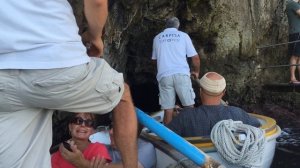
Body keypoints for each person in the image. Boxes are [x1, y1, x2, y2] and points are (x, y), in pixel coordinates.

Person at [0, 0, 138, 168]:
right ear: (69, 125)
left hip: (4, 78)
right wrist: (95, 37)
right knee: (121, 94)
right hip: (54, 62)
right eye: (78, 121)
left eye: (88, 122)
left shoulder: (96, 149)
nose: (82, 125)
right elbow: (97, 2)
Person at [167, 72, 261, 137]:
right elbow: (257, 124)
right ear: (223, 92)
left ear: (200, 91)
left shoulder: (185, 116)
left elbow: (165, 136)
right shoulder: (237, 113)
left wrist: (175, 117)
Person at [151, 16, 200, 124]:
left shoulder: (157, 38)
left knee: (168, 110)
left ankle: (166, 139)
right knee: (189, 107)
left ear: (166, 26)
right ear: (178, 26)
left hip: (164, 76)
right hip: (181, 74)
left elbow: (154, 60)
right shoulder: (183, 36)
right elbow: (195, 58)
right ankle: (190, 136)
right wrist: (196, 72)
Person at [286, 0, 300, 84]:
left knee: (299, 57)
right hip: (296, 33)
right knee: (294, 55)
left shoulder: (296, 4)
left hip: (297, 33)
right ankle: (292, 78)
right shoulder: (292, 4)